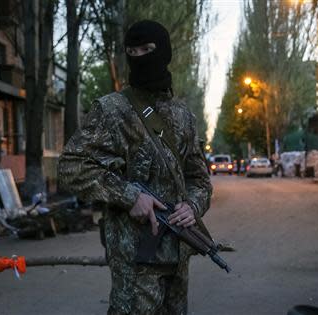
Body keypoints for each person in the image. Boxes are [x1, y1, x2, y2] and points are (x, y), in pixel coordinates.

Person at [58, 20, 212, 315]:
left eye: (147, 49)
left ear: (163, 51)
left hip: (177, 254)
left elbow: (200, 180)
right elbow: (70, 167)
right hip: (135, 262)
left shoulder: (183, 117)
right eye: (133, 51)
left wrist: (192, 206)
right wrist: (129, 196)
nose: (140, 57)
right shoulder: (112, 110)